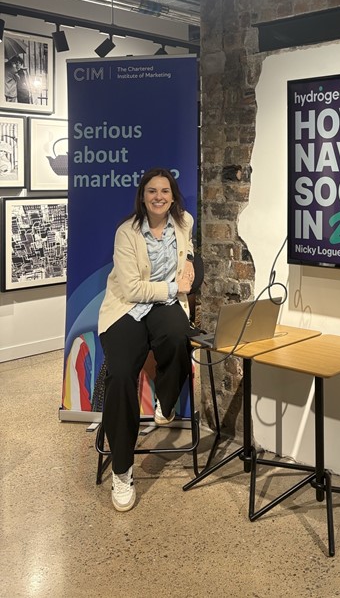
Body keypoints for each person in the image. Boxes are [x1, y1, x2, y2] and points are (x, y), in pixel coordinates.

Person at [97, 168, 196, 511]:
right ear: (142, 196)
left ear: (173, 195)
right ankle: (122, 472)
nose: (158, 197)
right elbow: (132, 289)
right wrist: (175, 287)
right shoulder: (127, 233)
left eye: (164, 191)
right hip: (128, 307)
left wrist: (191, 264)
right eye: (151, 191)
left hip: (165, 306)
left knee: (181, 338)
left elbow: (189, 248)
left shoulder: (185, 222)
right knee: (121, 374)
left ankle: (165, 403)